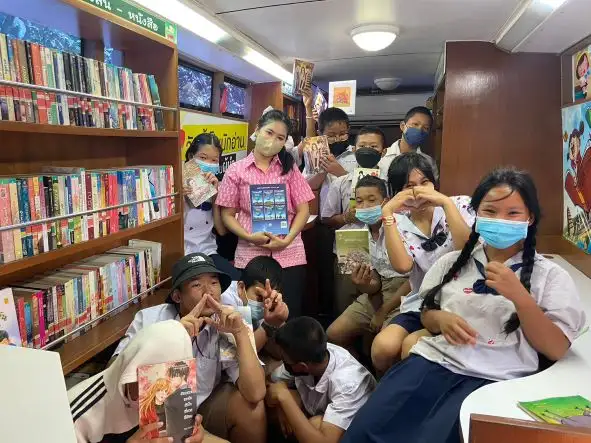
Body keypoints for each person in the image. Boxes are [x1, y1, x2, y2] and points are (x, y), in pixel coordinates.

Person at [341, 167, 587, 443]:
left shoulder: (550, 277)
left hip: (494, 379)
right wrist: (440, 320)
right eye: (490, 211)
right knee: (364, 432)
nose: (500, 220)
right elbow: (426, 313)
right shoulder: (452, 262)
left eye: (513, 213)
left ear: (530, 218)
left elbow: (555, 348)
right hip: (433, 363)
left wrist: (521, 298)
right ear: (476, 214)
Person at [111, 253, 267, 443]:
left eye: (214, 282)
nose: (208, 292)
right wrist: (173, 336)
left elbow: (256, 392)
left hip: (203, 408)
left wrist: (240, 333)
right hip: (158, 413)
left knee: (252, 409)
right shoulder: (149, 319)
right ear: (177, 296)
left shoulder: (229, 319)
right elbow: (114, 372)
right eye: (196, 285)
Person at [371, 152, 475, 373]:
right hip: (422, 301)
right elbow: (403, 266)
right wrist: (388, 212)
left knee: (411, 349)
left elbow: (467, 250)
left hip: (460, 299)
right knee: (382, 348)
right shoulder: (396, 221)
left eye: (425, 182)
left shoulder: (460, 204)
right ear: (397, 192)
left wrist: (445, 203)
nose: (419, 191)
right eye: (408, 186)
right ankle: (390, 385)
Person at [217, 110, 314, 318]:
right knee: (253, 316)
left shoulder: (289, 168)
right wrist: (249, 236)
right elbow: (227, 215)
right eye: (269, 133)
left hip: (290, 254)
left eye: (280, 138)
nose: (273, 140)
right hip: (250, 254)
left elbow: (303, 210)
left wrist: (286, 240)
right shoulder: (236, 170)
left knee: (288, 314)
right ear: (257, 130)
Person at [69, 320, 207, 443]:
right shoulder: (78, 419)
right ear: (130, 373)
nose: (162, 398)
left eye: (173, 388)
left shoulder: (169, 399)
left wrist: (188, 433)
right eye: (151, 385)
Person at [327, 175, 409, 353]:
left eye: (372, 200)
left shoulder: (402, 228)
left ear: (386, 201)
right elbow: (375, 284)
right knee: (334, 334)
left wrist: (383, 311)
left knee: (383, 347)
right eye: (359, 201)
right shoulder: (360, 236)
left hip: (406, 293)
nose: (364, 206)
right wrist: (363, 284)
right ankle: (358, 368)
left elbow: (416, 279)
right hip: (379, 293)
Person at [266, 317, 376, 443]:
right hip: (322, 410)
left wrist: (285, 398)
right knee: (277, 403)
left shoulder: (348, 384)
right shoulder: (310, 353)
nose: (283, 362)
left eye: (284, 359)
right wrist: (282, 405)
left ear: (302, 367)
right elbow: (270, 384)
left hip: (361, 432)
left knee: (315, 424)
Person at [321, 126, 389, 315]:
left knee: (379, 308)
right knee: (346, 305)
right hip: (349, 252)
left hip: (384, 253)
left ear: (383, 151)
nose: (367, 150)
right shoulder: (341, 182)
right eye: (362, 146)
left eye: (373, 147)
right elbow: (326, 219)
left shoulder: (389, 182)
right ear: (354, 149)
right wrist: (345, 217)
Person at [183, 132, 240, 281]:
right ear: (191, 156)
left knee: (235, 280)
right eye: (203, 158)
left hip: (207, 251)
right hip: (183, 253)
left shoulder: (217, 186)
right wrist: (180, 198)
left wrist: (215, 197)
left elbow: (221, 230)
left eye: (214, 160)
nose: (208, 163)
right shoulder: (178, 182)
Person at [221, 256, 289, 353]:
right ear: (241, 288)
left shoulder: (269, 303)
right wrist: (269, 325)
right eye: (259, 297)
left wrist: (278, 318)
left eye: (269, 298)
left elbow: (280, 351)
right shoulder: (226, 300)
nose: (264, 303)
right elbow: (242, 353)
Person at [377, 106, 439, 181]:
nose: (419, 130)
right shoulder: (381, 157)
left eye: (426, 128)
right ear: (403, 126)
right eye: (415, 124)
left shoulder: (429, 162)